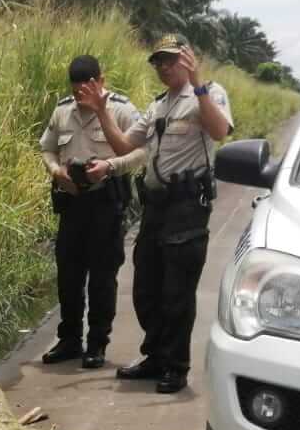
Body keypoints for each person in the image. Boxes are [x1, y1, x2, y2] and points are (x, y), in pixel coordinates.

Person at [83, 34, 233, 393]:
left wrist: (197, 86)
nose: (164, 67)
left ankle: (175, 366)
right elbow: (123, 145)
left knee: (177, 292)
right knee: (146, 287)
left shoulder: (209, 93)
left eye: (170, 60)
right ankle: (155, 356)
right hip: (155, 206)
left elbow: (219, 130)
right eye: (159, 62)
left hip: (187, 208)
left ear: (187, 59)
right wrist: (103, 111)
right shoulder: (156, 107)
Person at [37, 55, 146, 369]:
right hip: (71, 203)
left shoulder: (122, 110)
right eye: (77, 91)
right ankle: (70, 339)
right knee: (68, 275)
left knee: (102, 276)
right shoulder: (62, 111)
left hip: (106, 204)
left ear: (101, 80)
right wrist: (57, 171)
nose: (82, 96)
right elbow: (47, 147)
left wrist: (110, 166)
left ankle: (97, 343)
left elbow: (142, 151)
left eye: (88, 88)